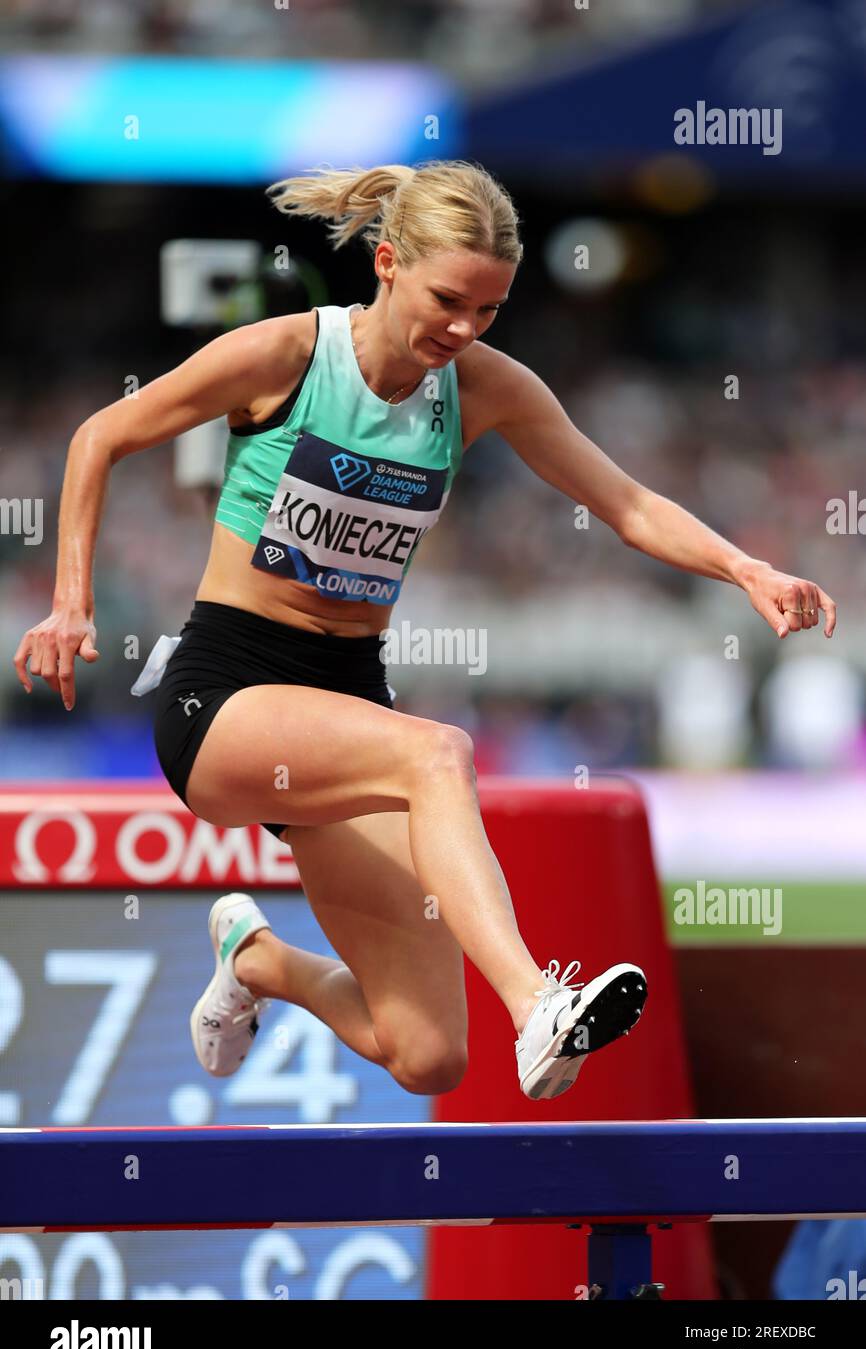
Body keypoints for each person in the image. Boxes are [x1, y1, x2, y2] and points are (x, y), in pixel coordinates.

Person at [14, 160, 836, 1102]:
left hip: (348, 703)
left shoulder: (484, 388)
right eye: (449, 300)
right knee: (439, 754)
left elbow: (629, 503)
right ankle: (538, 1006)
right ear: (388, 261)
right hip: (227, 691)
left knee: (429, 1055)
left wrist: (748, 568)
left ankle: (256, 960)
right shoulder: (286, 354)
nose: (463, 330)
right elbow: (99, 437)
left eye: (488, 311)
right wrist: (71, 600)